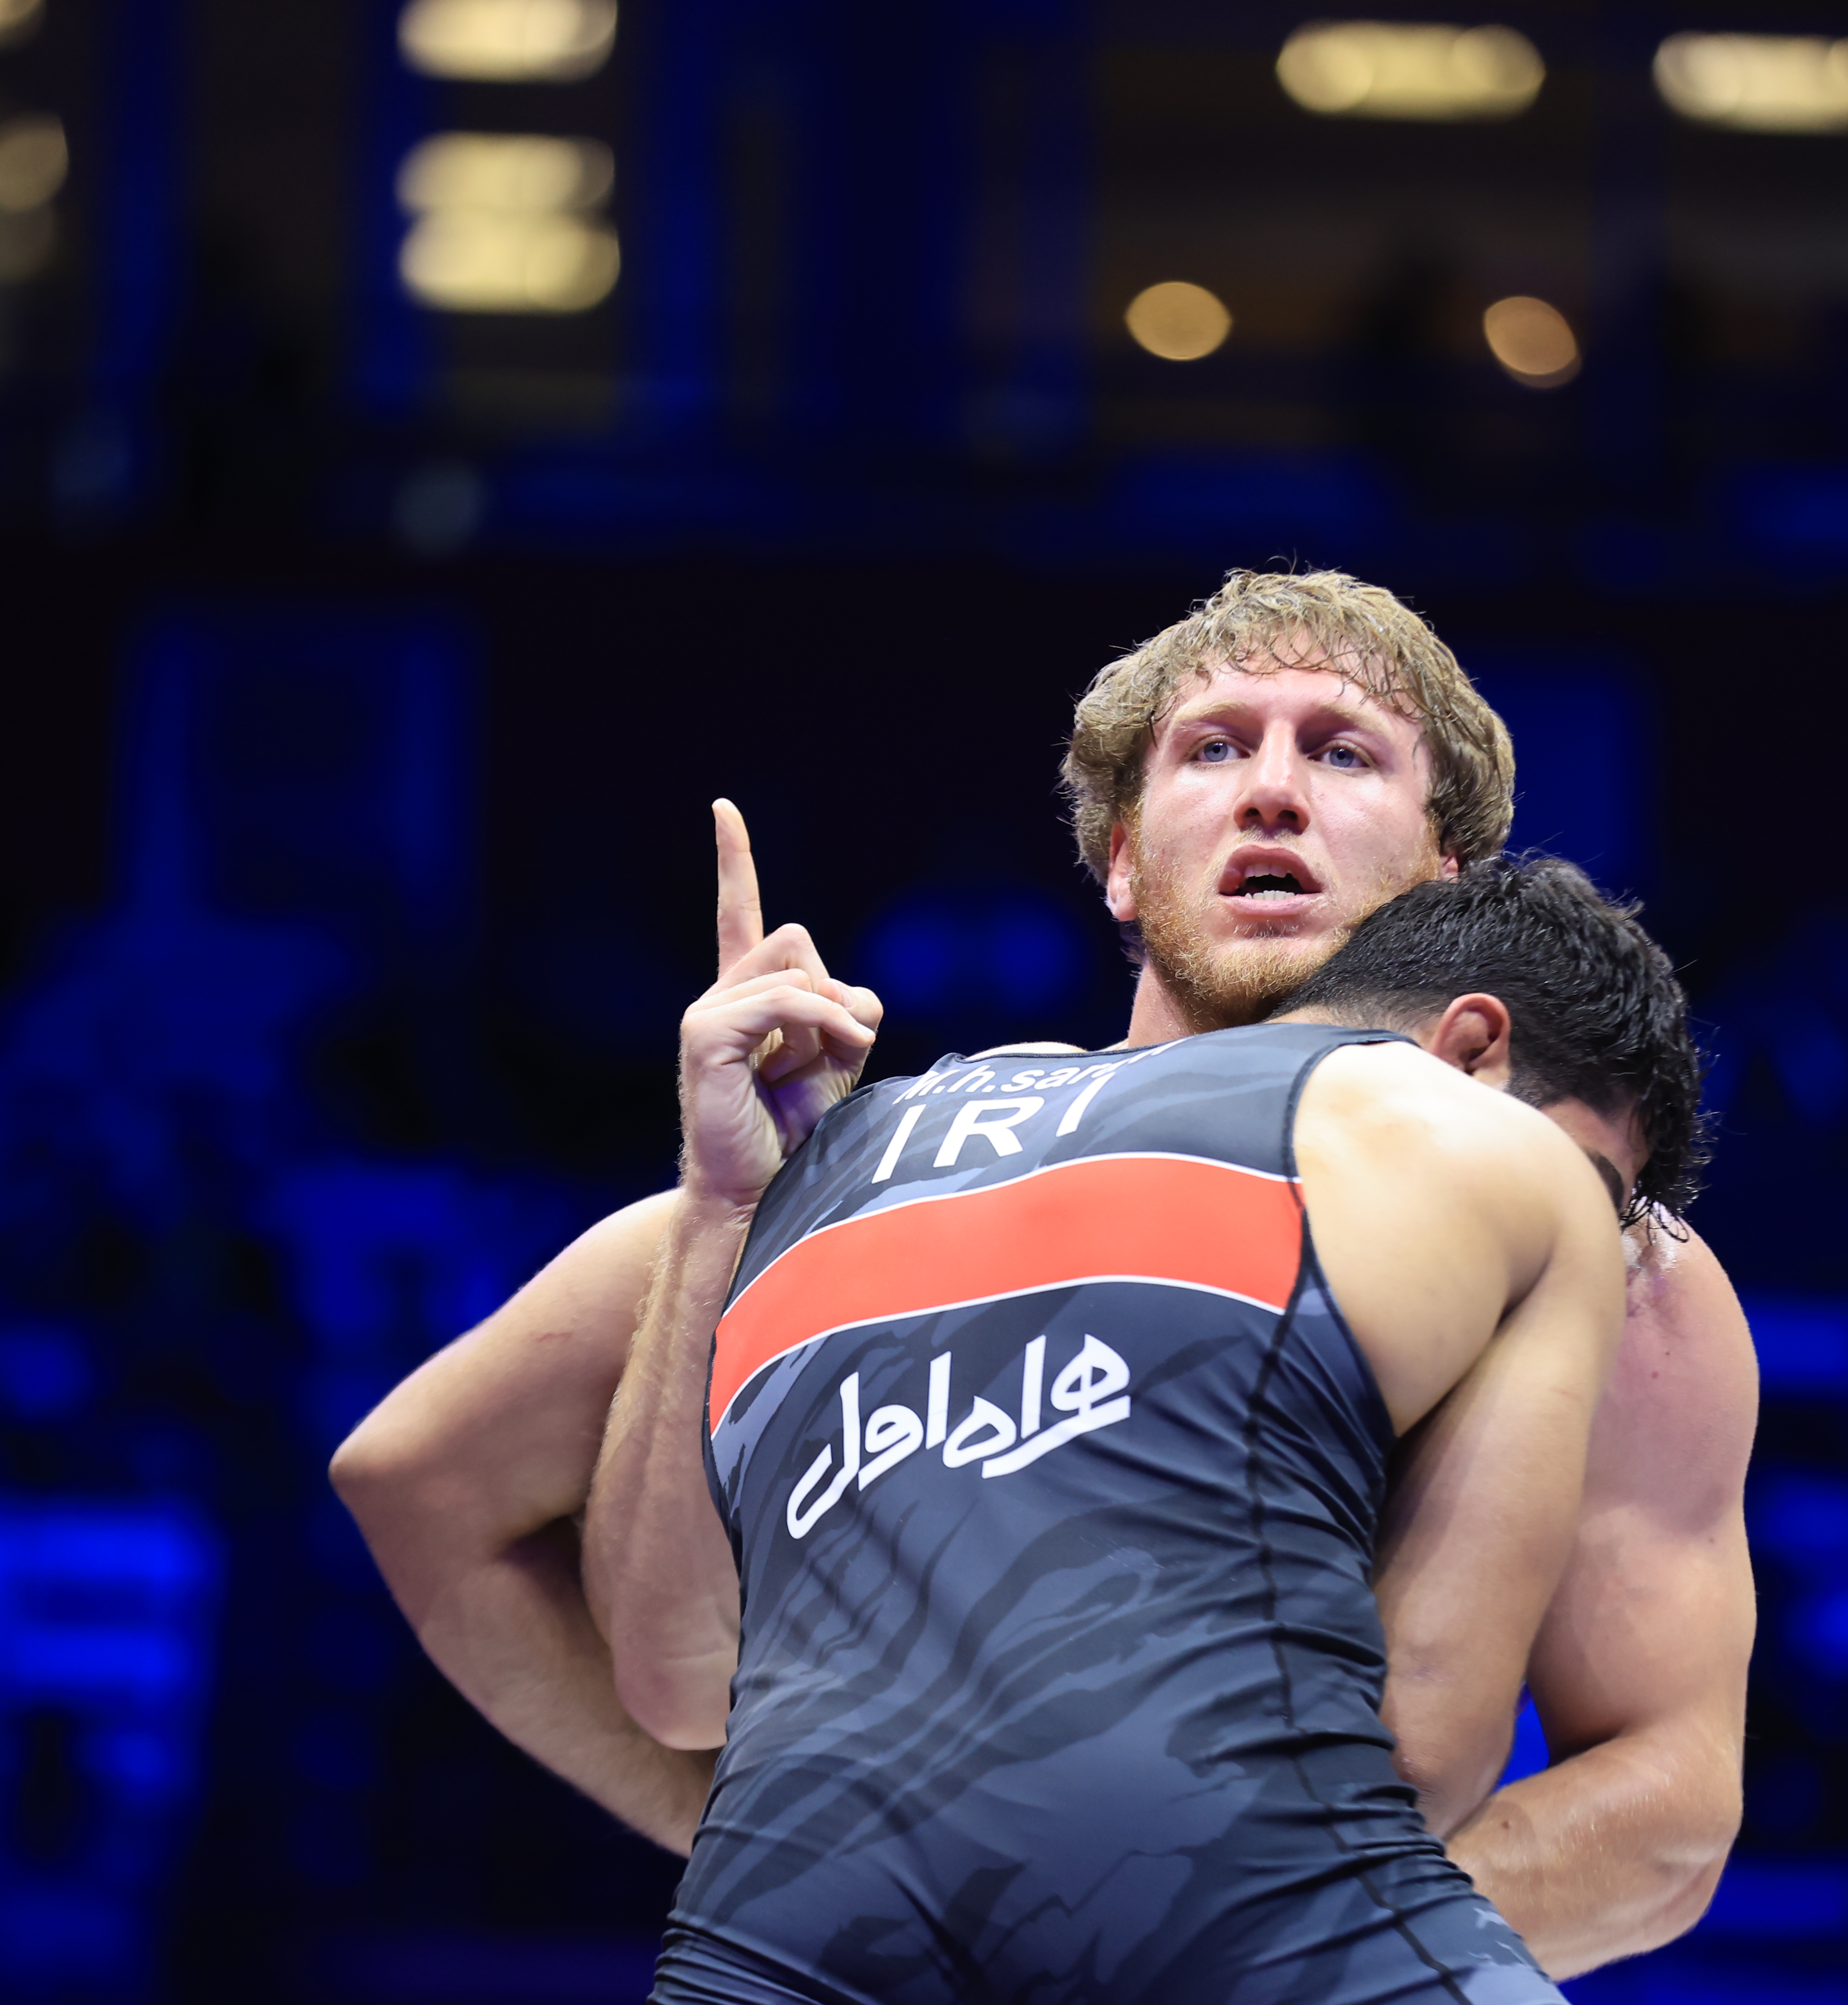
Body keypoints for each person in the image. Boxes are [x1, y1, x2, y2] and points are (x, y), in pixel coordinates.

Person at [330, 569, 1759, 1977]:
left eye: (1341, 751)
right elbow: (422, 1482)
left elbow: (1667, 1811)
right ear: (1126, 859)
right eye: (1215, 748)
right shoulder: (858, 1177)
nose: (1274, 790)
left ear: (1445, 866)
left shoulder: (1606, 1244)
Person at [635, 858, 1685, 2003]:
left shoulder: (844, 1145)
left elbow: (658, 1662)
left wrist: (719, 1205)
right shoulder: (1511, 1169)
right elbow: (1424, 1751)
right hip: (1239, 1906)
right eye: (1606, 1190)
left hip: (774, 1933)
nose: (1626, 1252)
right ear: (1471, 1050)